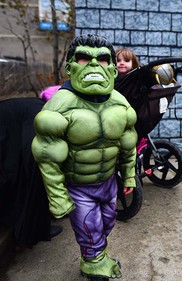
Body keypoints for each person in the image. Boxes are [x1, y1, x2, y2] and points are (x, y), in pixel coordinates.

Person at [32, 34, 138, 280]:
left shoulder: (120, 104)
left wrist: (130, 177)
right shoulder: (60, 105)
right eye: (83, 58)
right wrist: (58, 198)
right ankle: (93, 264)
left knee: (107, 224)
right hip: (79, 186)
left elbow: (128, 145)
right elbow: (47, 156)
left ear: (112, 68)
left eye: (102, 59)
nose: (93, 65)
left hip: (109, 183)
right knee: (89, 228)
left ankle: (95, 254)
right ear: (69, 67)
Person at [0, 98, 63, 248]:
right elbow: (32, 148)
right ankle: (35, 231)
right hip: (12, 132)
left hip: (7, 130)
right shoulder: (41, 114)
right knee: (34, 177)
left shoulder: (38, 106)